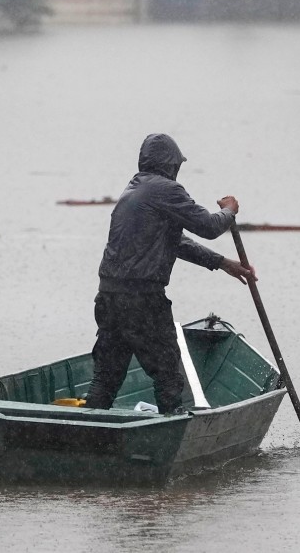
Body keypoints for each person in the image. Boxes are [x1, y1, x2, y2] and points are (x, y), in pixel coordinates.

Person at [85, 133, 256, 414]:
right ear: (170, 164)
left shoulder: (133, 190)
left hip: (109, 298)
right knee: (167, 376)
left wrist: (222, 262)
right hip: (142, 300)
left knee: (106, 377)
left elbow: (175, 242)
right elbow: (210, 226)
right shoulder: (167, 190)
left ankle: (88, 429)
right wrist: (229, 211)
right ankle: (171, 430)